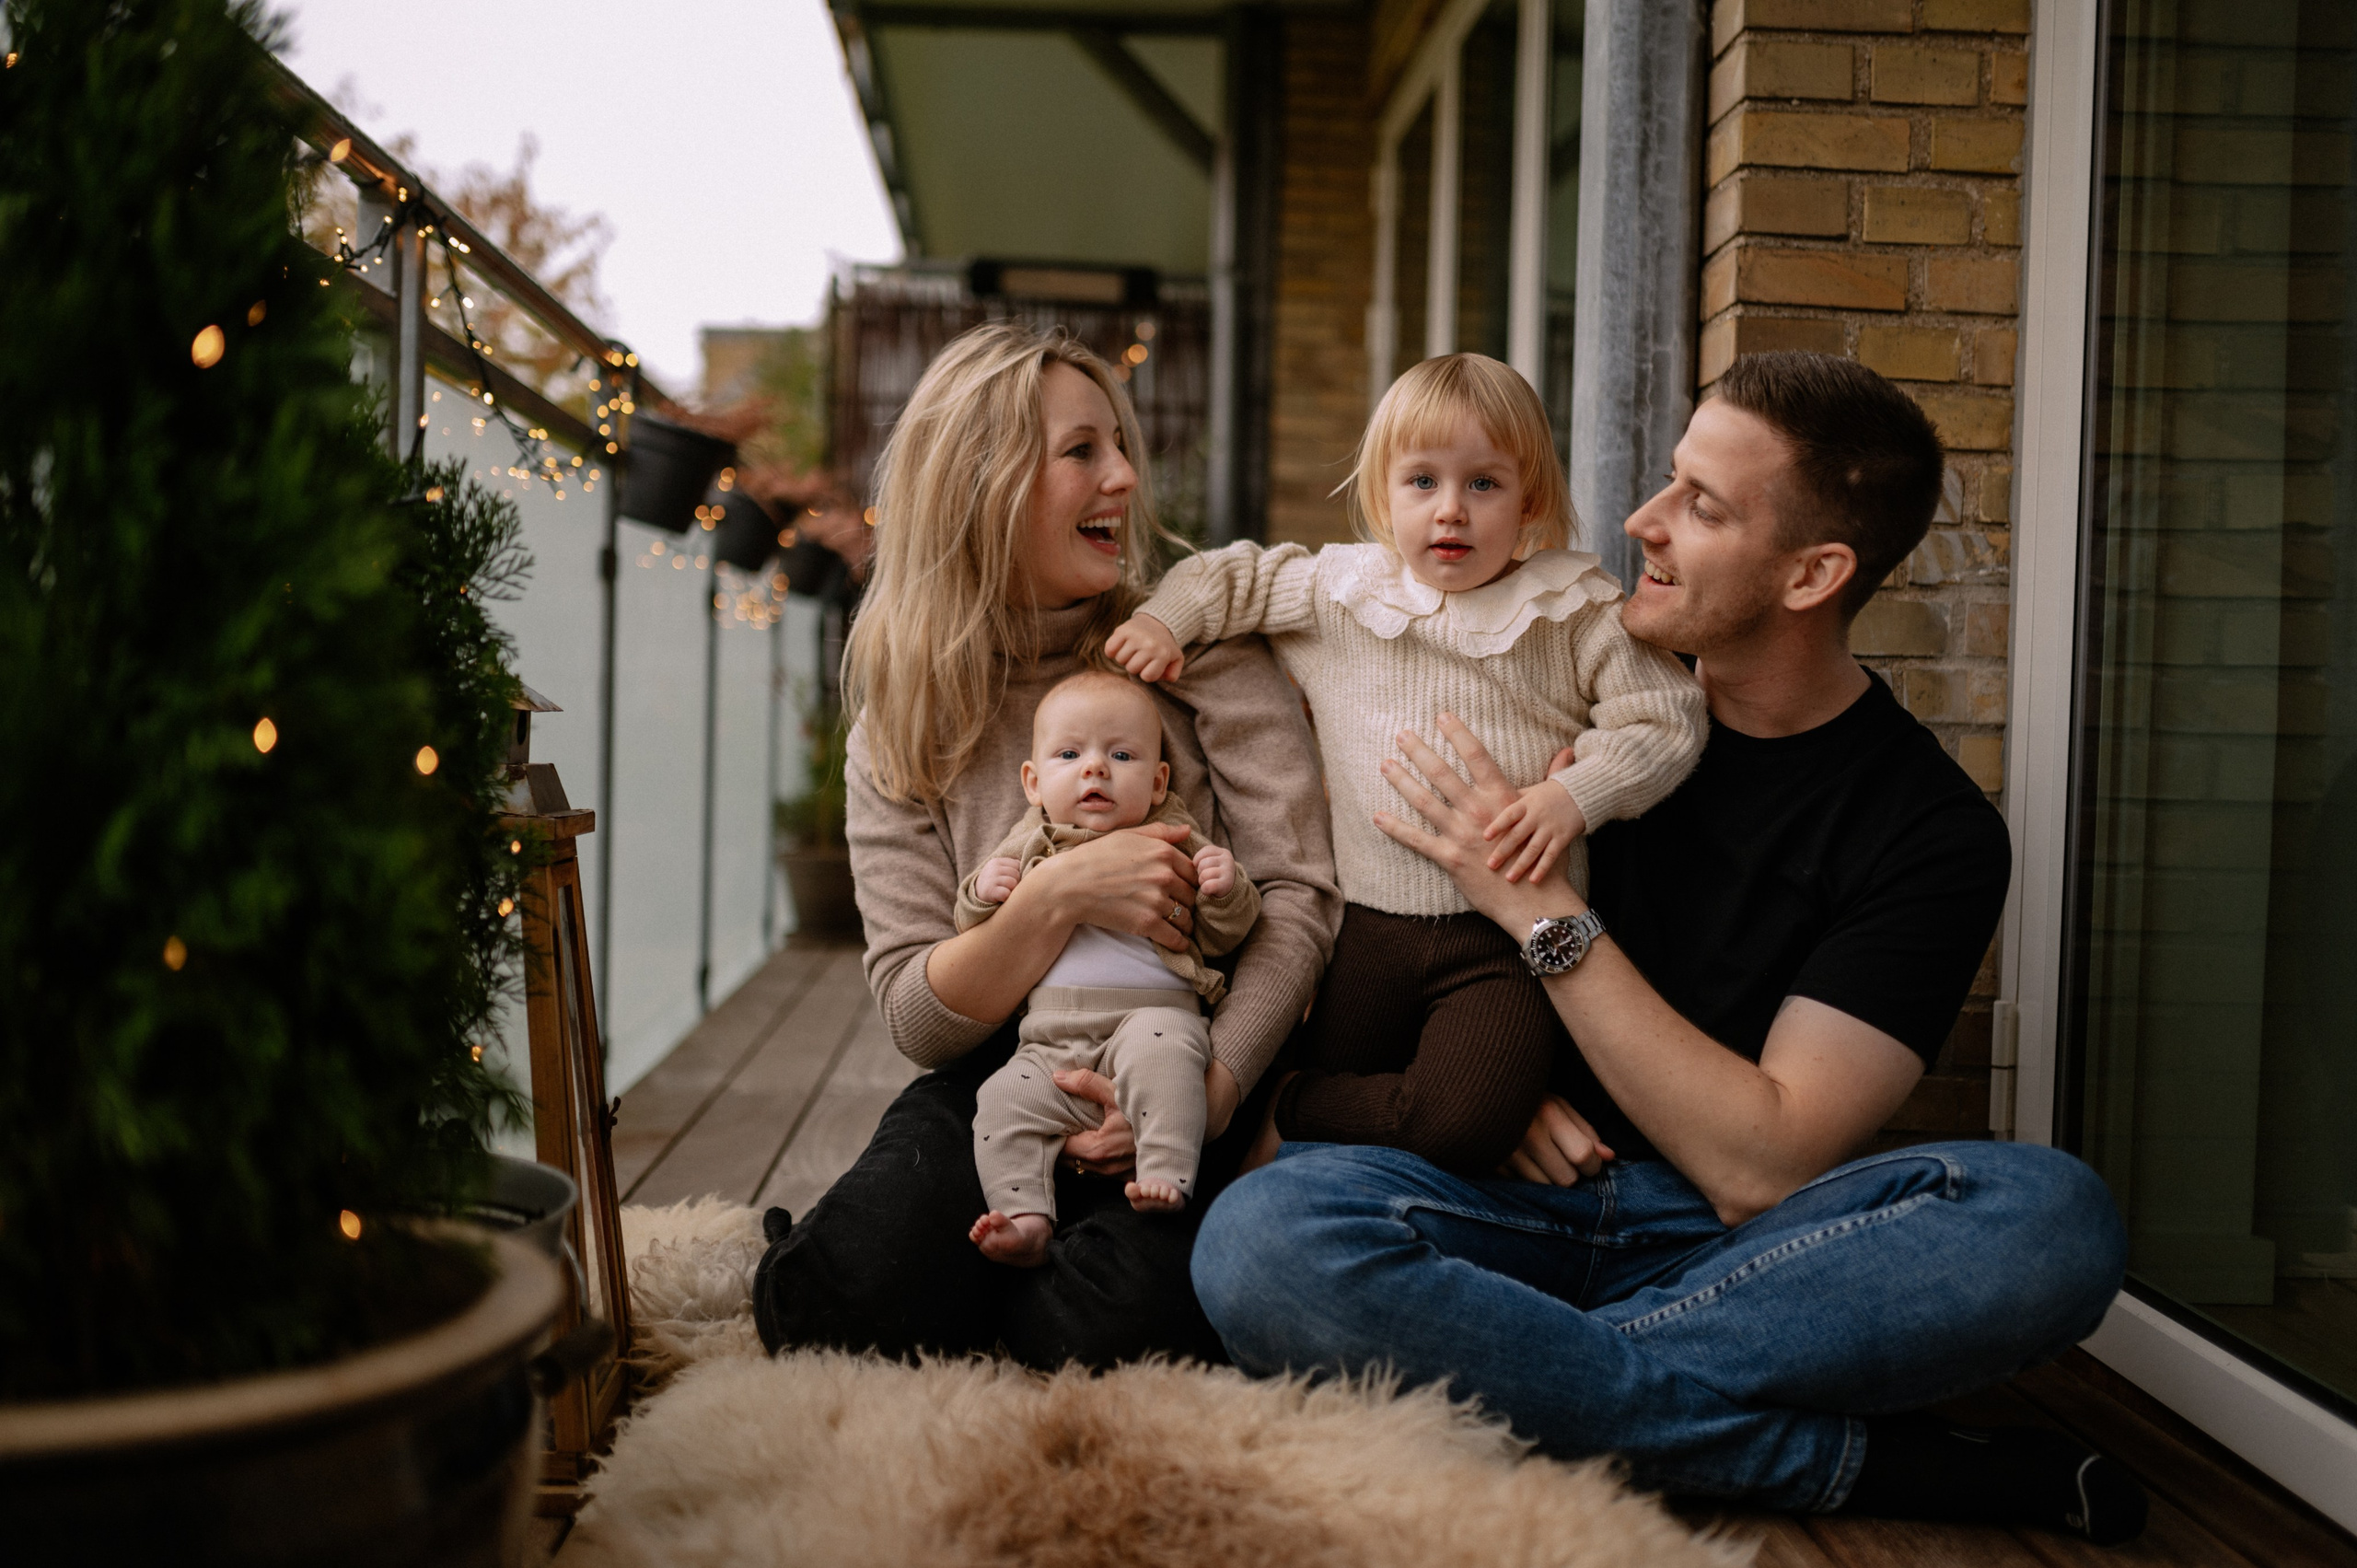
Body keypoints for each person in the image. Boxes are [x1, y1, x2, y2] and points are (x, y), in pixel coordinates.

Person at [1188, 353, 2145, 1545]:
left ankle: (1530, 1382)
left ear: (1814, 571)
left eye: (1701, 503)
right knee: (1263, 1240)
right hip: (1489, 1200)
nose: (1642, 520)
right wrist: (1498, 1081)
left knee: (2057, 1217)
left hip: (1739, 1243)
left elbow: (1761, 1160)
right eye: (1667, 483)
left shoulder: (1930, 831)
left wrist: (1537, 912)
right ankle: (1827, 1455)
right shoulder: (1547, 689)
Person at [752, 321, 1341, 1369]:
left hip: (1184, 1048)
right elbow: (917, 1014)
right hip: (1002, 1059)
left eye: (1118, 443)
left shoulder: (1190, 646)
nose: (1122, 474)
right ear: (981, 481)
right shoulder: (905, 708)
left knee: (1093, 1328)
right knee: (833, 1304)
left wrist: (1214, 1093)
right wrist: (1059, 894)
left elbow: (1297, 897)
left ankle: (1032, 1269)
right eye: (1082, 450)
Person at [1109, 354, 1705, 1175]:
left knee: (1463, 1125)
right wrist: (1166, 622)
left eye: (1484, 484)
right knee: (1300, 1126)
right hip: (1364, 934)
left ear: (1529, 498)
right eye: (1421, 481)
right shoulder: (1346, 593)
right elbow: (1231, 575)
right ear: (1385, 496)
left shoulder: (1570, 609)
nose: (1450, 510)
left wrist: (1574, 794)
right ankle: (1278, 1142)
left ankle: (1296, 1108)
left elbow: (1668, 716)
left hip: (1506, 940)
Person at [961, 668, 1260, 1265]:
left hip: (1149, 1019)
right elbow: (977, 930)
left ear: (1156, 782)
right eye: (1070, 753)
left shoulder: (1175, 840)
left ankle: (1166, 1169)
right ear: (1034, 781)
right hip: (1048, 1045)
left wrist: (1226, 890)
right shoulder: (1029, 845)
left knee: (1169, 1049)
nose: (1095, 767)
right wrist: (982, 891)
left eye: (1120, 754)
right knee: (1000, 1098)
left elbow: (1228, 931)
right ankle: (1024, 1215)